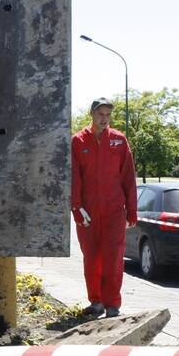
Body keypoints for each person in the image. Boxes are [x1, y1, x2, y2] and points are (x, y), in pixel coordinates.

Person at [70, 98, 138, 318]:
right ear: (92, 114)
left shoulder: (119, 140)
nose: (104, 119)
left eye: (108, 115)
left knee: (114, 258)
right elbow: (74, 178)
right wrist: (76, 208)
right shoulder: (78, 141)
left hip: (114, 211)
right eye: (100, 114)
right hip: (88, 212)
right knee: (92, 258)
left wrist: (132, 210)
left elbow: (128, 176)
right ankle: (96, 301)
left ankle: (112, 305)